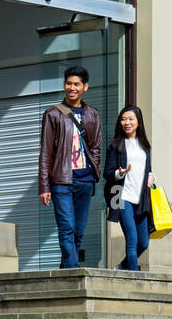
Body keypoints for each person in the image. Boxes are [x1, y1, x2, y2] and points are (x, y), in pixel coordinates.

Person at [38, 65, 102, 269]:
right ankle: (74, 270)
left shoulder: (92, 113)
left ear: (85, 87)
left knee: (79, 231)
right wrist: (44, 186)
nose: (71, 88)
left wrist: (94, 171)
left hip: (85, 180)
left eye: (76, 84)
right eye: (68, 83)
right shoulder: (53, 114)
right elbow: (46, 151)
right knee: (67, 227)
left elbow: (96, 147)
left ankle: (66, 270)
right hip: (61, 180)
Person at [103, 105, 156, 271]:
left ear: (138, 122)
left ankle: (123, 266)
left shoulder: (145, 147)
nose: (127, 122)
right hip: (121, 197)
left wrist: (152, 176)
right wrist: (119, 173)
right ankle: (135, 277)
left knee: (143, 242)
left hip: (140, 199)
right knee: (132, 240)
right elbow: (107, 173)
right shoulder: (115, 145)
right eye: (123, 119)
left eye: (131, 119)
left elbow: (148, 169)